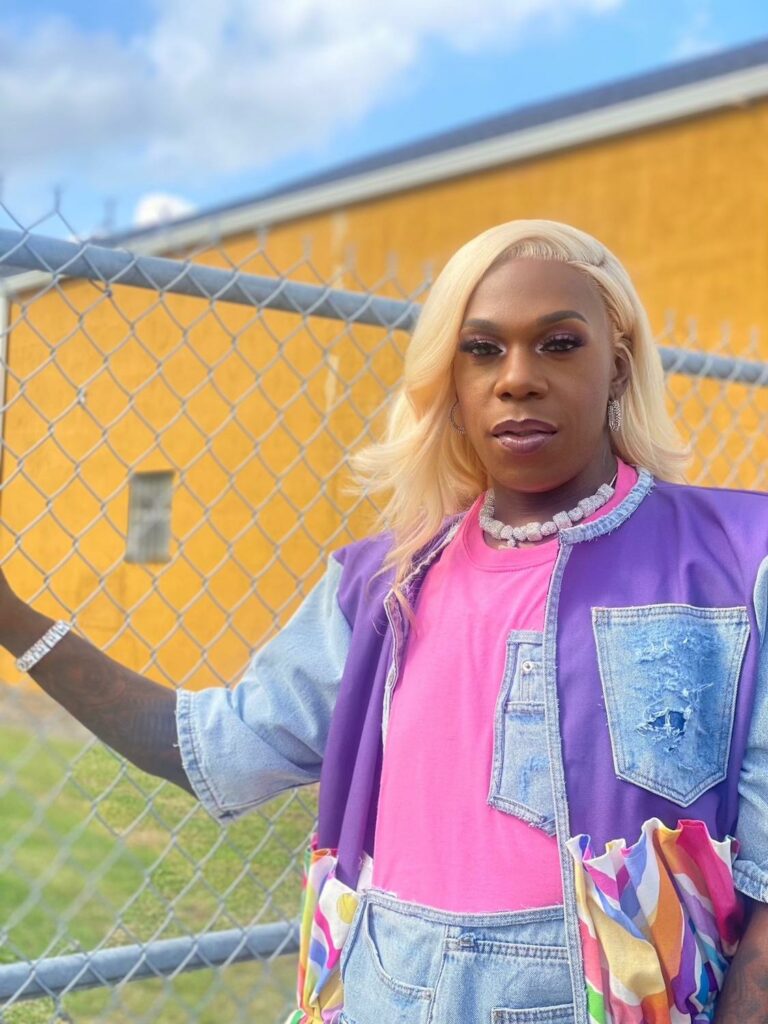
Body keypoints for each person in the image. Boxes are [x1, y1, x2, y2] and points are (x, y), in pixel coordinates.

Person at [2, 219, 767, 1024]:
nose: (517, 379)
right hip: (388, 992)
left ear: (617, 363)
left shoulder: (734, 562)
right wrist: (14, 621)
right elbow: (215, 752)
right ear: (450, 383)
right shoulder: (380, 586)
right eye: (481, 350)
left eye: (559, 344)